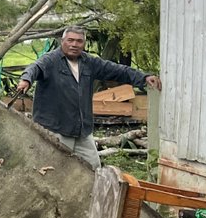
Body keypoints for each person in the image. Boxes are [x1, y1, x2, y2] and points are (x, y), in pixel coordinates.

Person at [16, 25, 161, 169]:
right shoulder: (50, 60)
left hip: (81, 130)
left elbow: (117, 70)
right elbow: (35, 67)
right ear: (62, 41)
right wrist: (26, 80)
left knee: (93, 167)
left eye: (79, 41)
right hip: (56, 129)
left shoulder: (89, 62)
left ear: (84, 44)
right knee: (55, 170)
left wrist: (144, 77)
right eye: (70, 40)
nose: (74, 44)